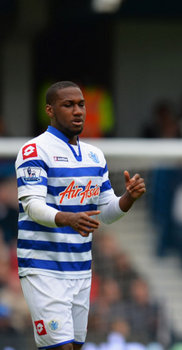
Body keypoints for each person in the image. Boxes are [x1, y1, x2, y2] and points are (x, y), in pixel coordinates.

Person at [14, 81, 146, 350]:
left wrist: (127, 199)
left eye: (81, 105)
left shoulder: (95, 156)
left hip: (80, 269)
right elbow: (33, 206)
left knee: (74, 347)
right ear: (50, 110)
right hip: (43, 268)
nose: (78, 111)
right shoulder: (35, 151)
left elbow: (106, 212)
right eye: (68, 105)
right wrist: (67, 218)